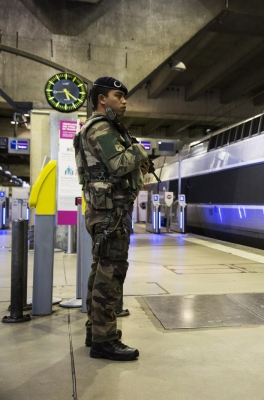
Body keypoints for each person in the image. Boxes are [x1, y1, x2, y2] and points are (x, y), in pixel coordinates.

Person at [73, 77, 150, 361]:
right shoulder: (102, 127)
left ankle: (95, 331)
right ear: (101, 99)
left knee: (100, 270)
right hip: (111, 214)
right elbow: (118, 165)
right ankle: (105, 341)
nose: (124, 100)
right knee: (111, 274)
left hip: (104, 212)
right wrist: (139, 149)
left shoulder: (96, 128)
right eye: (118, 95)